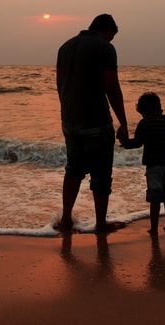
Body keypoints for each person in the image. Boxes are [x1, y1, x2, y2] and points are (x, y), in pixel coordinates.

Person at [56, 13, 129, 233]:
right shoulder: (104, 48)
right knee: (101, 175)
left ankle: (66, 219)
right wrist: (123, 123)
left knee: (73, 170)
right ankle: (100, 223)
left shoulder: (65, 47)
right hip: (96, 121)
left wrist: (68, 112)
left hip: (70, 121)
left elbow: (60, 85)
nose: (110, 41)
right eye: (111, 37)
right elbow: (112, 88)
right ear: (108, 30)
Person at [120, 92, 165, 234]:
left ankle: (154, 228)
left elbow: (136, 143)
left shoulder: (146, 123)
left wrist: (123, 140)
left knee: (154, 199)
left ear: (144, 111)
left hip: (153, 166)